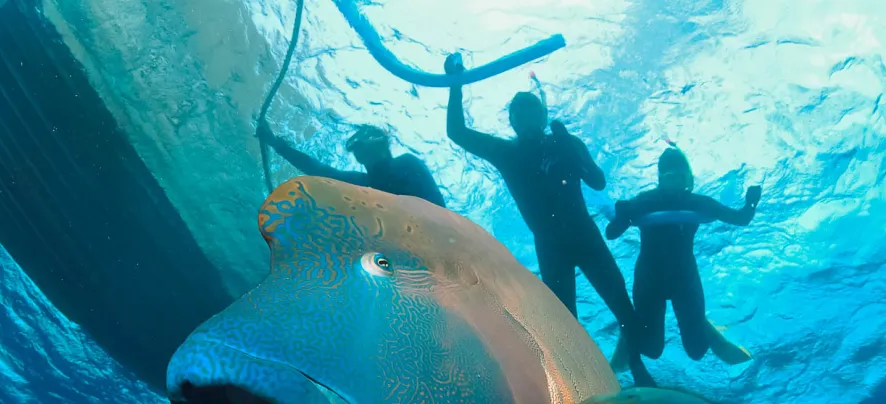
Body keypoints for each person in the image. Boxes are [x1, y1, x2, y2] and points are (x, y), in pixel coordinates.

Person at [443, 53, 656, 387]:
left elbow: (598, 182)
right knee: (565, 322)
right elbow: (457, 131)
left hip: (586, 237)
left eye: (532, 112)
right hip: (551, 246)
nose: (526, 120)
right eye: (519, 114)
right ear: (512, 122)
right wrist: (455, 83)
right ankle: (580, 384)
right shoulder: (507, 153)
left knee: (620, 303)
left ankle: (640, 371)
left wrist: (575, 151)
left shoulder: (564, 141)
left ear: (542, 116)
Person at [605, 145, 760, 364]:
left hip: (684, 276)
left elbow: (740, 218)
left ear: (688, 178)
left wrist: (751, 203)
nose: (676, 183)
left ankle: (702, 325)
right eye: (670, 177)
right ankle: (628, 330)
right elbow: (611, 233)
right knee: (652, 349)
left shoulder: (697, 202)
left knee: (696, 351)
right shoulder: (646, 201)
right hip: (651, 278)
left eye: (680, 176)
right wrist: (623, 215)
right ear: (661, 179)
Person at [257, 119, 446, 207]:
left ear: (381, 142)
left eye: (364, 140)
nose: (358, 146)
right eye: (356, 145)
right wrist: (276, 144)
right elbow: (317, 169)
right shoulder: (364, 183)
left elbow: (437, 206)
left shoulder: (407, 163)